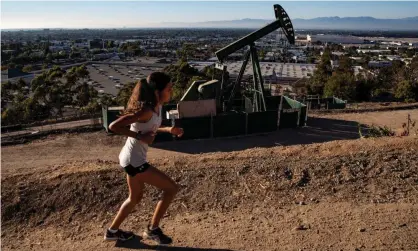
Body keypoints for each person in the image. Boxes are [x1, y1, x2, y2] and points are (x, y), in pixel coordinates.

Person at [104, 72, 184, 245]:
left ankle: (112, 232)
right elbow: (114, 126)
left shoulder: (158, 106)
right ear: (158, 91)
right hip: (134, 161)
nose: (171, 91)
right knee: (171, 189)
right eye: (169, 88)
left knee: (134, 198)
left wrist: (168, 130)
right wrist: (139, 136)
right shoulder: (145, 110)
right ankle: (153, 229)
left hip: (129, 158)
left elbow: (152, 127)